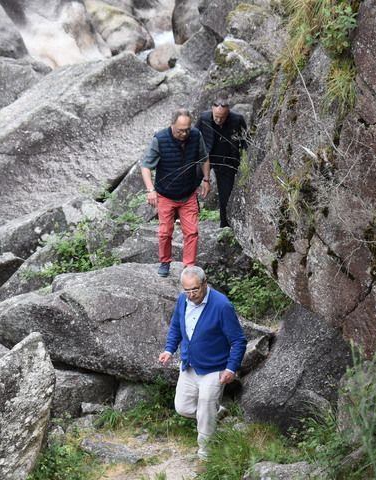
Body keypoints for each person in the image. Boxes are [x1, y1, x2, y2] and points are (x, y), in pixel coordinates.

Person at [158, 266, 247, 459]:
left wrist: (231, 368)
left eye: (195, 289)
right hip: (189, 365)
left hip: (215, 369)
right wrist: (169, 349)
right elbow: (176, 326)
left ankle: (206, 454)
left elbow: (239, 341)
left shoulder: (222, 306)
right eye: (187, 290)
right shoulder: (182, 300)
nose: (191, 295)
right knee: (182, 407)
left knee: (206, 408)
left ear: (205, 283)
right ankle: (215, 413)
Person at [140, 108, 211, 277]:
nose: (184, 133)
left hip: (188, 193)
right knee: (165, 232)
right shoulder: (160, 139)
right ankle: (165, 262)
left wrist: (206, 179)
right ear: (172, 125)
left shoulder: (196, 136)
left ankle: (189, 267)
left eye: (187, 129)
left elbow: (204, 158)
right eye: (180, 130)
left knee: (192, 232)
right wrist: (150, 190)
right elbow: (146, 166)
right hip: (166, 194)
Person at [195, 99, 248, 228]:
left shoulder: (237, 119)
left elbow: (245, 142)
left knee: (226, 195)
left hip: (226, 160)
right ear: (212, 110)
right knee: (189, 182)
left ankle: (225, 225)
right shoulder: (204, 118)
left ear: (228, 112)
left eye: (222, 117)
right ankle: (187, 215)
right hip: (205, 158)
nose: (218, 120)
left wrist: (244, 161)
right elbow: (194, 136)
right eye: (216, 117)